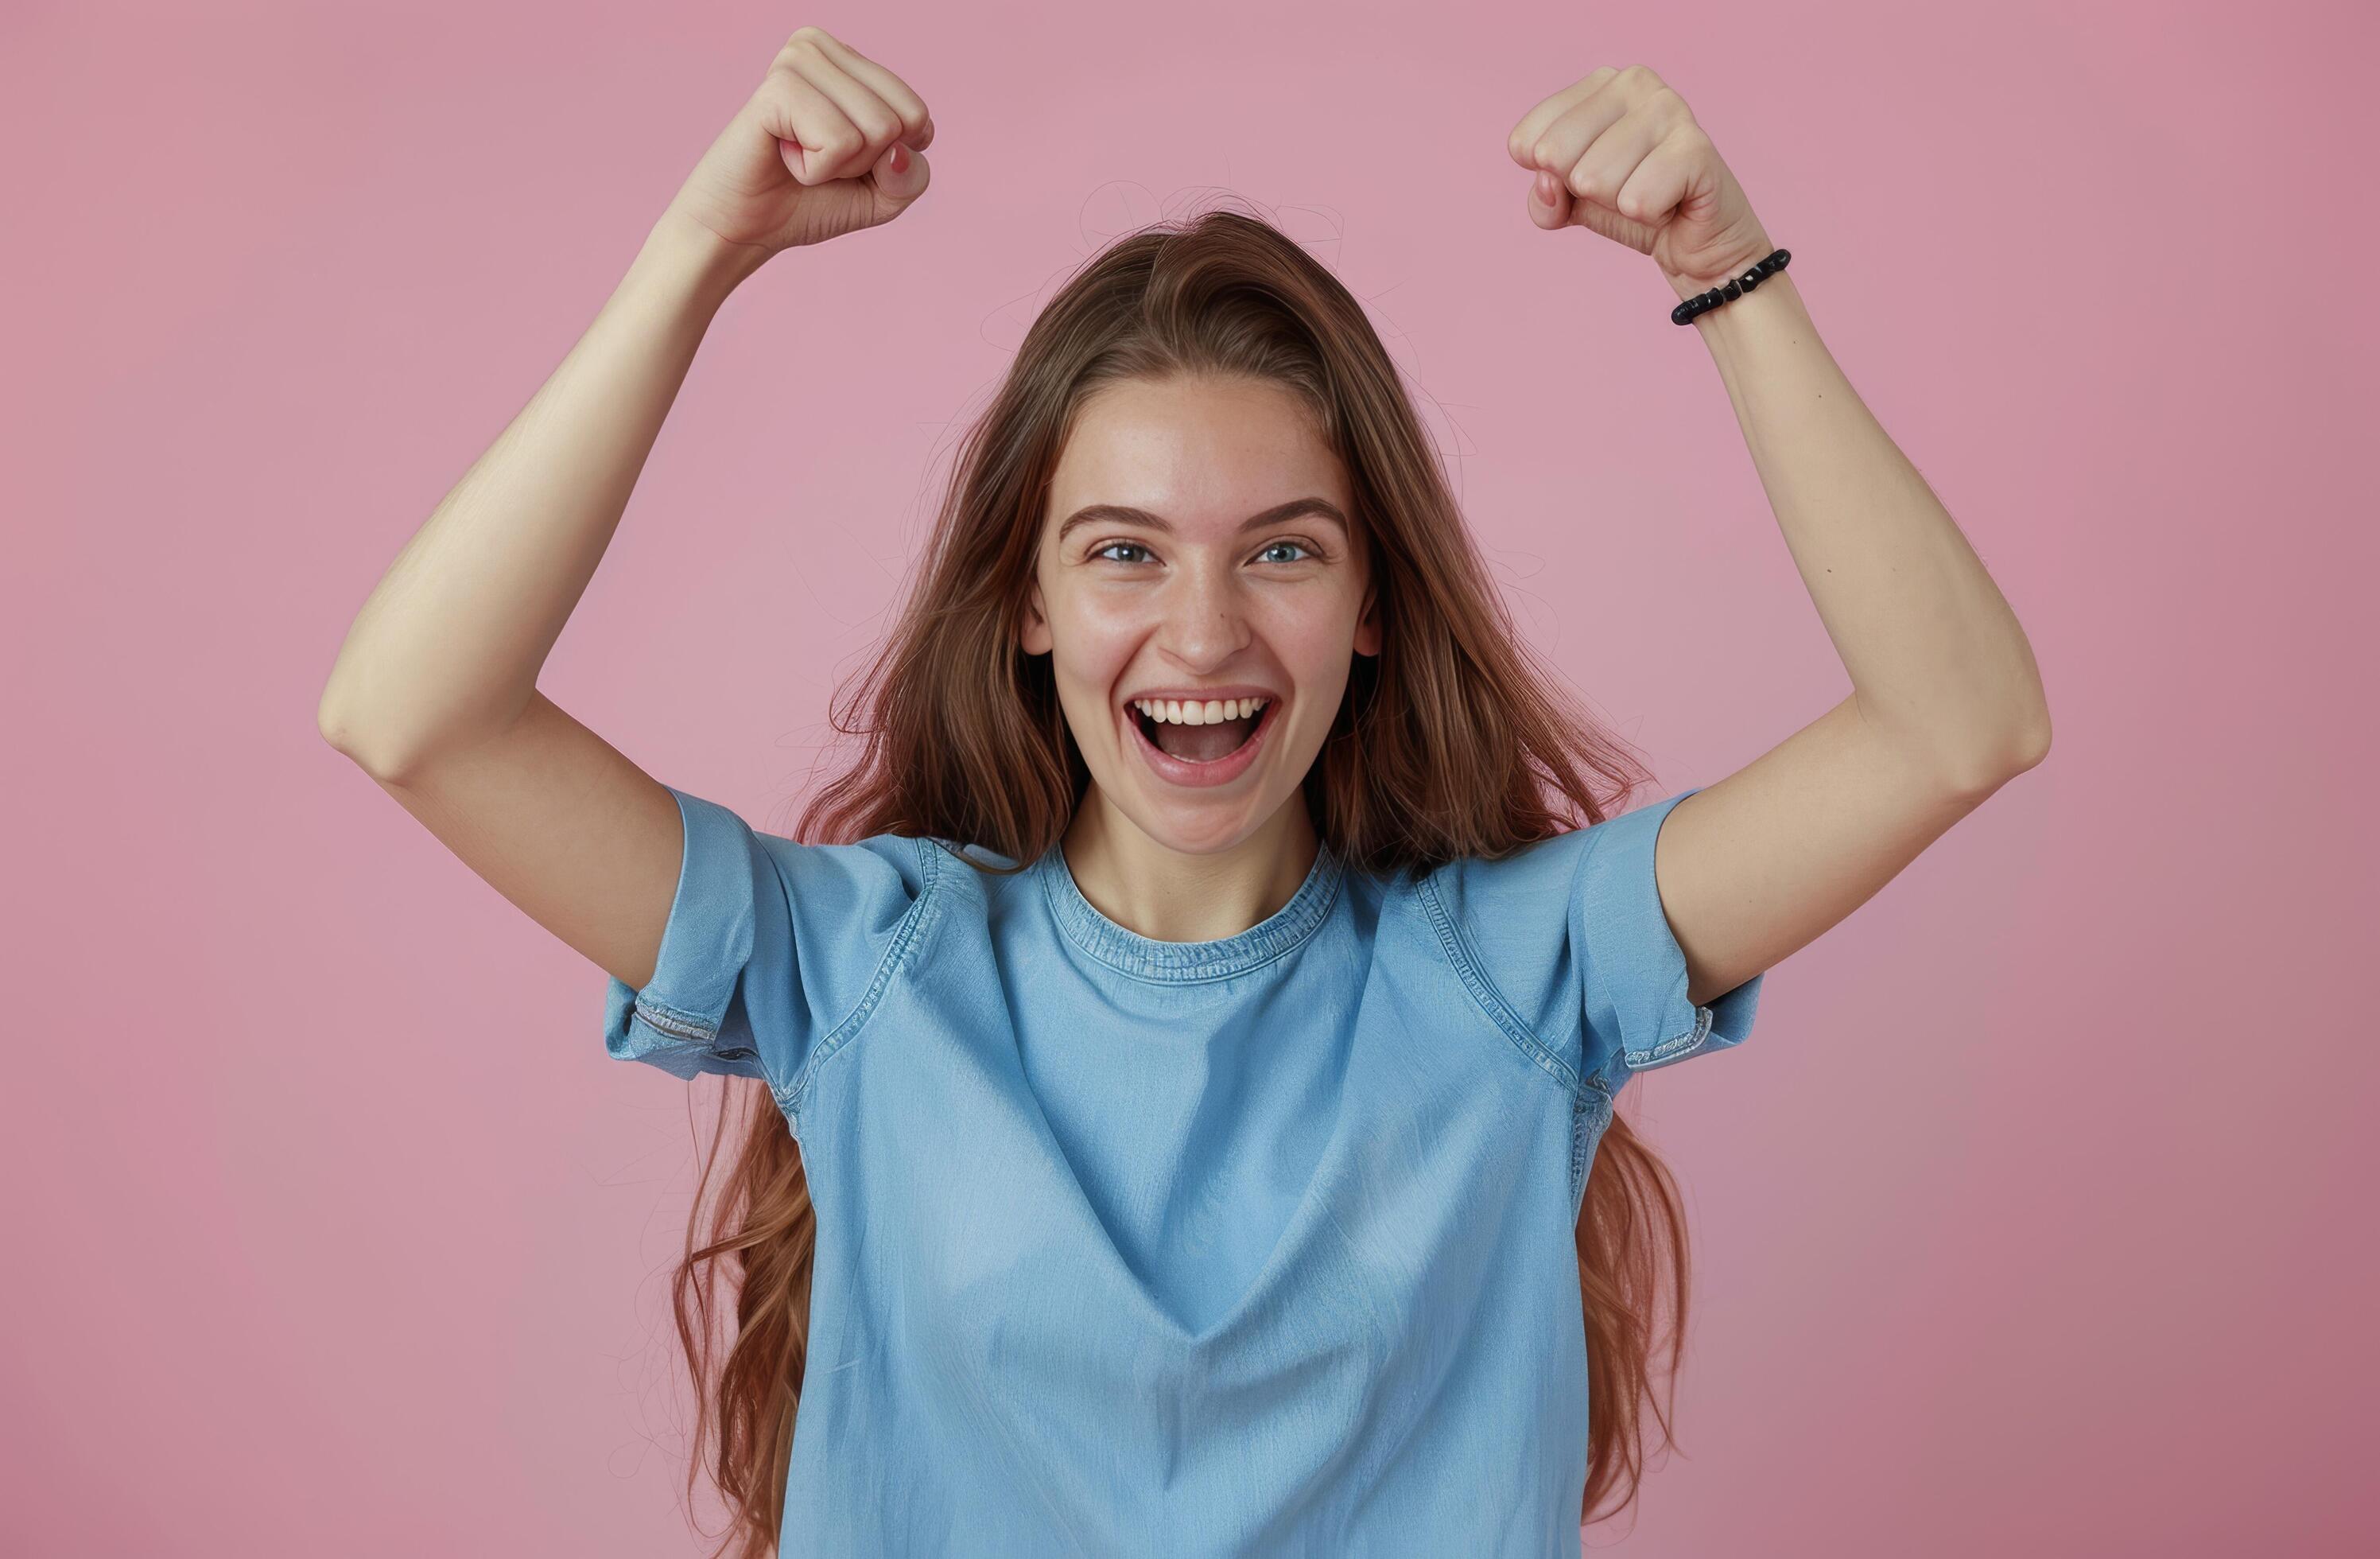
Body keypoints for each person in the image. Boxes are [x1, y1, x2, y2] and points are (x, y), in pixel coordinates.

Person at [316, 27, 2051, 1558]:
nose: (1202, 630)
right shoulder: (869, 972)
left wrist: (1733, 271)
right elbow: (414, 715)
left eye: (1282, 549)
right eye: (1122, 550)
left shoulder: (1521, 975)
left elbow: (1957, 722)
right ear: (1030, 603)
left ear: (1373, 602)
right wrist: (697, 255)